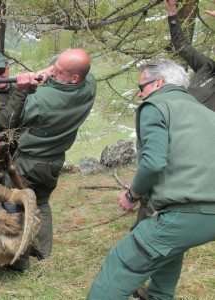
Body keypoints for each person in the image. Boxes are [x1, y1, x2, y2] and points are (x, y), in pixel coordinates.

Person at [87, 59, 215, 300]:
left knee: (120, 264)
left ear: (158, 83)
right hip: (206, 216)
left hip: (187, 211)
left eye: (142, 87)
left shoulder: (156, 105)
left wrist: (131, 195)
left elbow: (154, 161)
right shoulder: (205, 112)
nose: (139, 94)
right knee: (169, 250)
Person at [7, 48, 97, 270]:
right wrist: (52, 73)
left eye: (59, 71)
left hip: (29, 162)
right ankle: (43, 250)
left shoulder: (40, 100)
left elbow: (11, 119)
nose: (53, 72)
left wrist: (25, 85)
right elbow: (81, 74)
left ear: (74, 77)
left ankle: (19, 260)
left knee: (17, 206)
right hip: (55, 160)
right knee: (42, 201)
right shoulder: (89, 88)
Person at [131, 0, 215, 231]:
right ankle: (143, 226)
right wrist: (172, 14)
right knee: (152, 170)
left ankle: (150, 230)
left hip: (193, 140)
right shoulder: (206, 66)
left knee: (164, 176)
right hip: (170, 123)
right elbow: (181, 44)